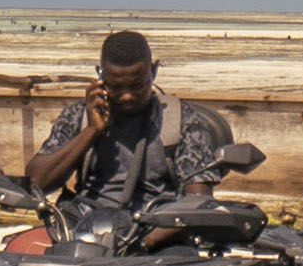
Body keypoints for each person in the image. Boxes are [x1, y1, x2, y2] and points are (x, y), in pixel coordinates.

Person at [31, 30, 237, 223]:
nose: (127, 96)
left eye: (137, 86)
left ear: (154, 71)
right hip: (89, 227)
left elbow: (198, 201)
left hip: (158, 228)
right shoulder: (79, 115)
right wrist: (91, 131)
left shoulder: (183, 120)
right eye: (116, 87)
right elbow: (36, 183)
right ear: (100, 75)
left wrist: (148, 240)